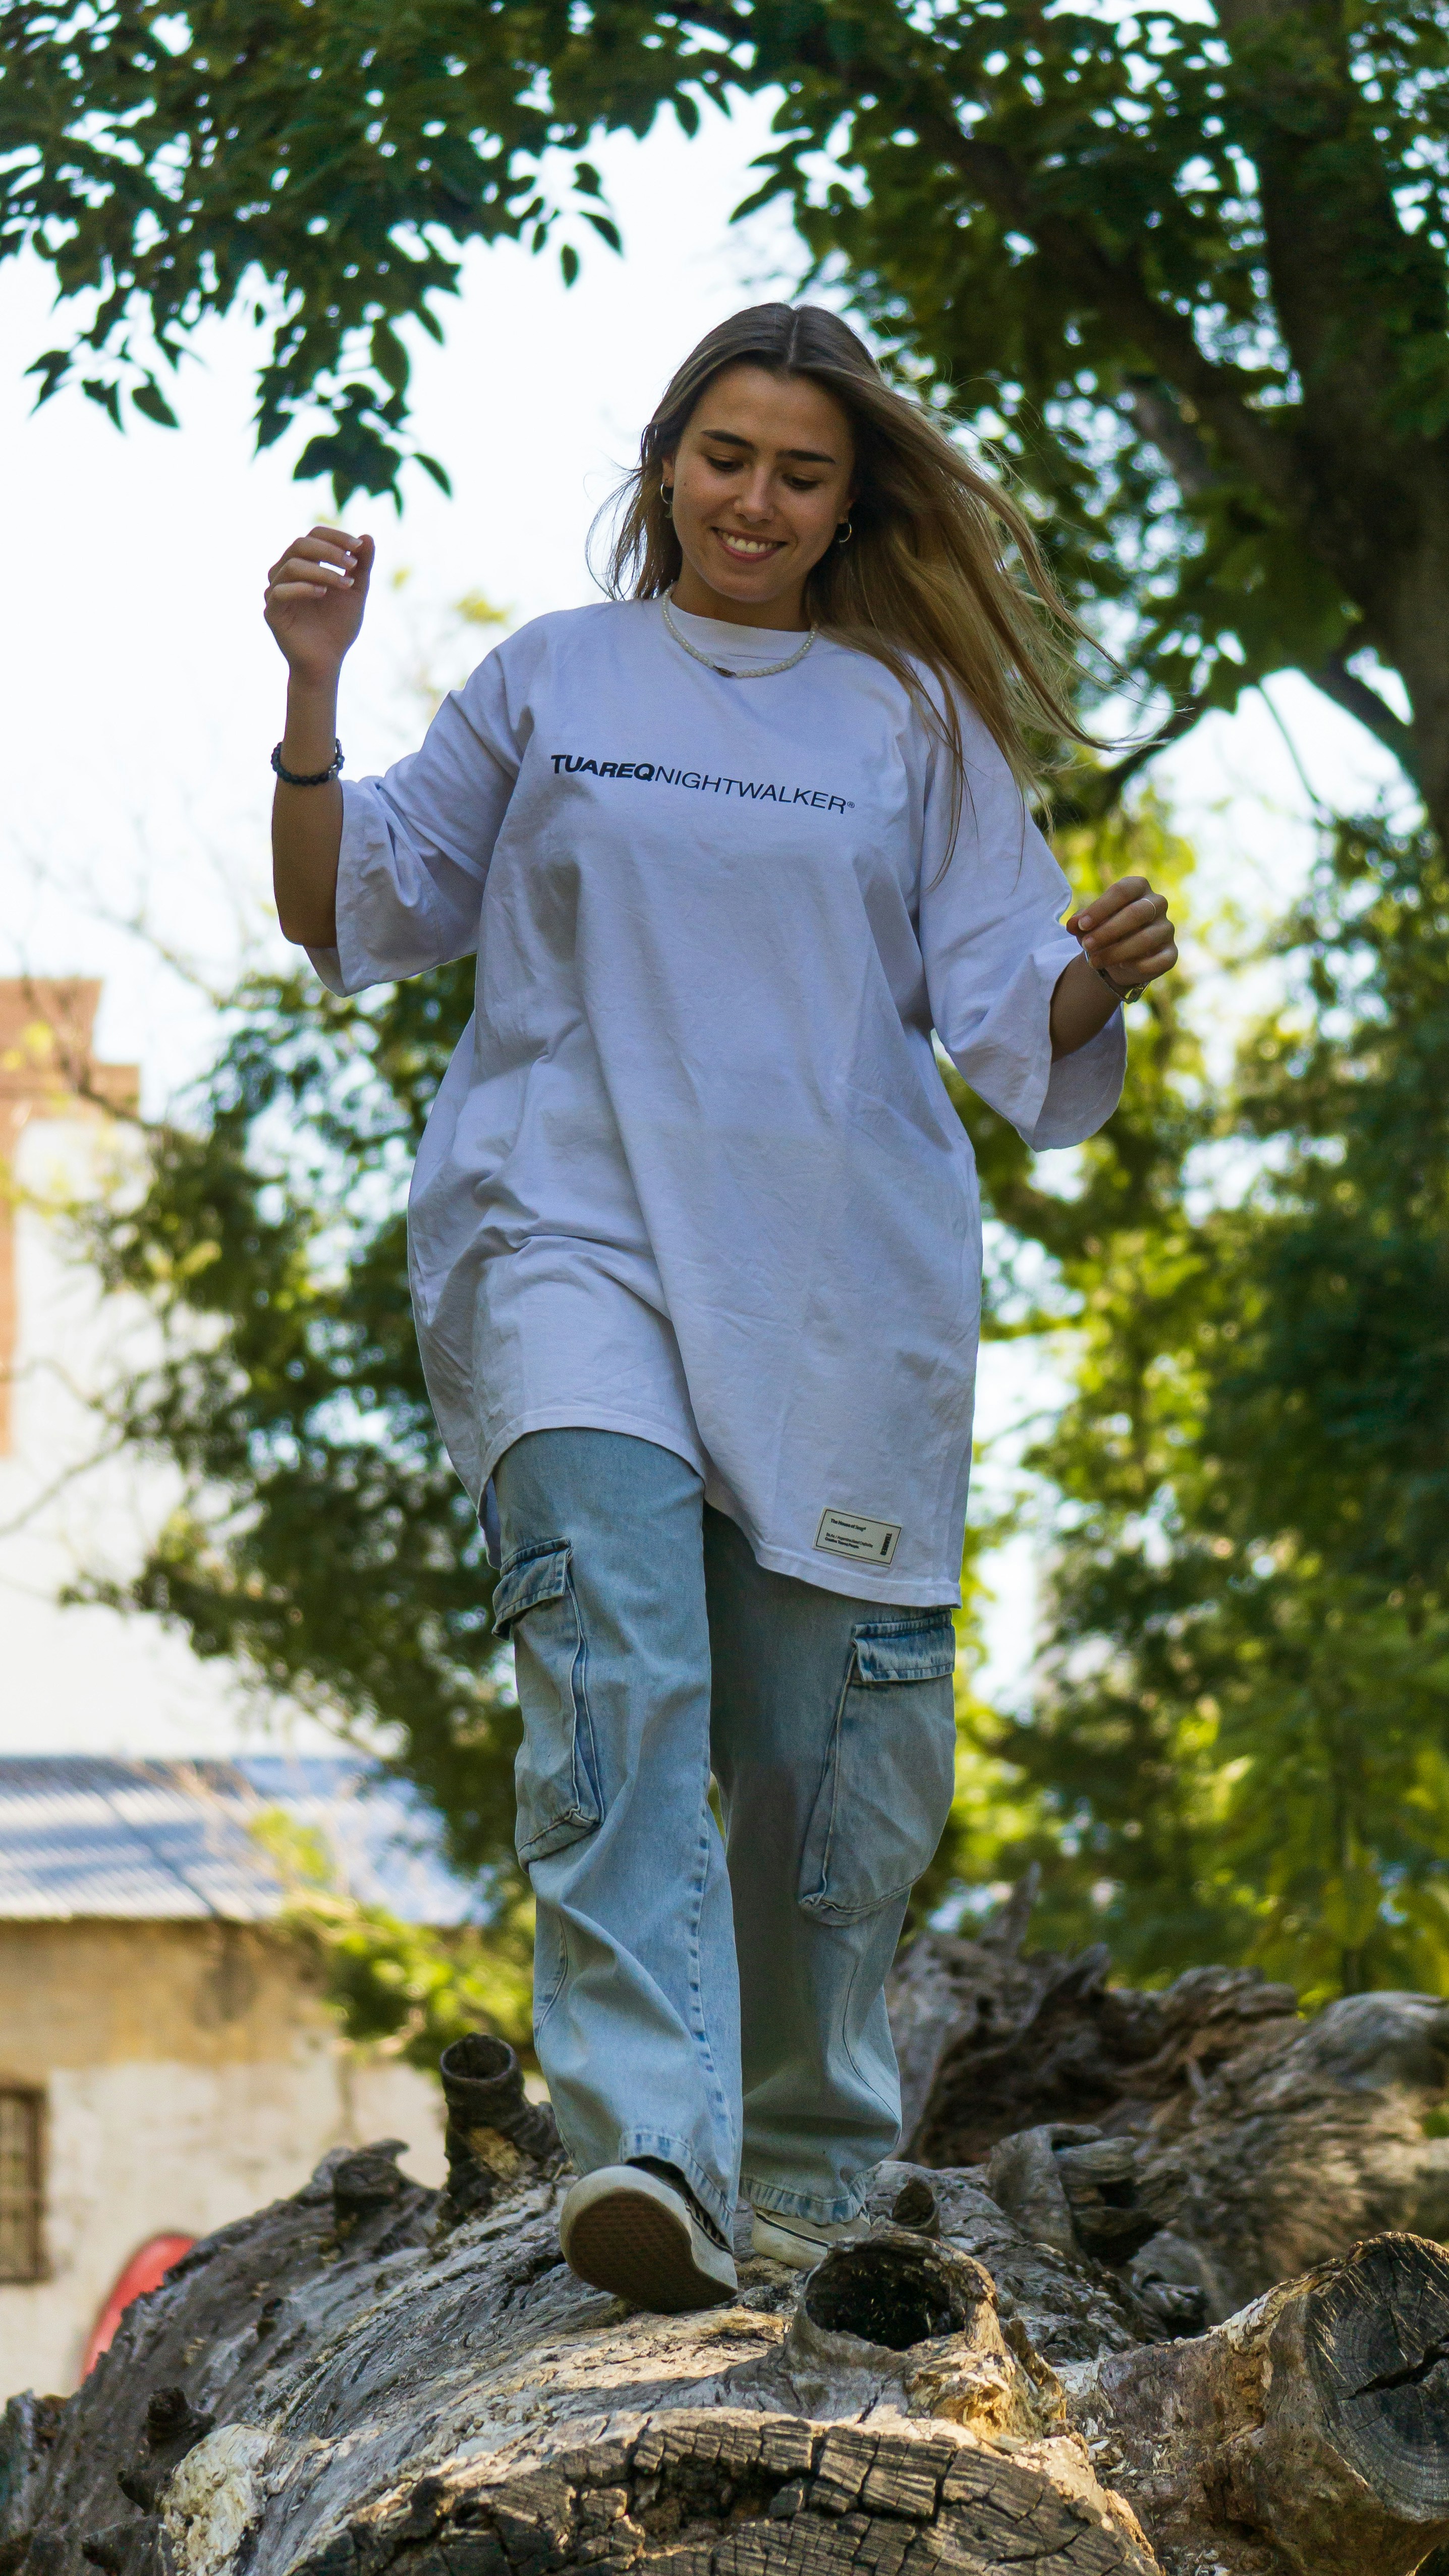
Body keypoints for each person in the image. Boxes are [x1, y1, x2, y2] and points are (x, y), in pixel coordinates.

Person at [264, 302, 1179, 2316]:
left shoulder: (910, 721)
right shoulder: (551, 679)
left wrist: (1093, 975)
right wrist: (314, 697)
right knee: (614, 1670)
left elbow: (1003, 1013)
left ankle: (798, 2165)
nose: (753, 497)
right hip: (562, 1236)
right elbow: (347, 905)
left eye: (799, 470)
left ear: (849, 504)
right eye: (723, 455)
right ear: (666, 461)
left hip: (834, 1284)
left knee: (820, 1771)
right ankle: (646, 2154)